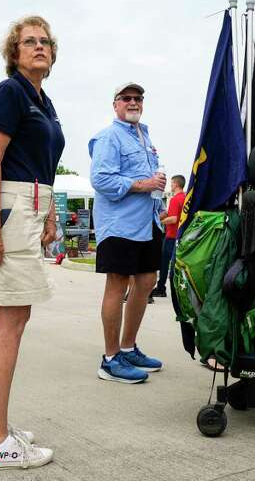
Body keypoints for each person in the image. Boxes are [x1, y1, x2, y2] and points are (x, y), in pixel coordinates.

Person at [0, 15, 64, 470]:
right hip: (9, 204)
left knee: (15, 315)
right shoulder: (9, 92)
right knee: (9, 320)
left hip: (30, 202)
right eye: (29, 41)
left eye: (45, 41)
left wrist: (47, 216)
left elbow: (41, 165)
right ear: (14, 52)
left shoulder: (43, 101)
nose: (39, 47)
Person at [87, 82, 166, 384]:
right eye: (127, 98)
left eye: (138, 98)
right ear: (116, 104)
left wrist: (156, 198)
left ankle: (128, 346)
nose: (133, 102)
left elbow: (149, 178)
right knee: (117, 285)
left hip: (146, 222)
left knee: (147, 280)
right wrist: (143, 185)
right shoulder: (108, 137)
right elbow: (101, 179)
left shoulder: (144, 137)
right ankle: (109, 359)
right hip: (119, 224)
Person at [152, 175, 185, 298]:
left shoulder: (176, 199)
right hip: (180, 235)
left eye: (171, 184)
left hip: (171, 235)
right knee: (176, 263)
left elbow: (173, 218)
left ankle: (161, 288)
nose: (170, 186)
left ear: (176, 184)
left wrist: (159, 221)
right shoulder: (185, 198)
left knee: (164, 263)